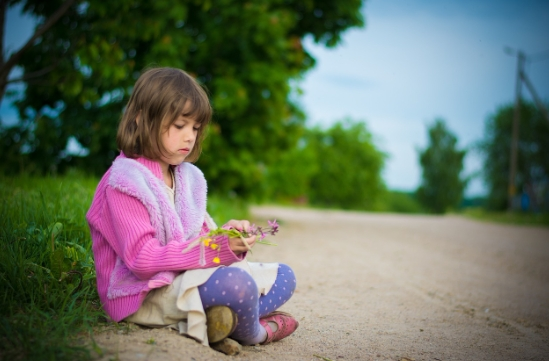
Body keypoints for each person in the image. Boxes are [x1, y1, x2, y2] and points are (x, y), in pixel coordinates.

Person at [86, 67, 298, 347]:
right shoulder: (125, 181)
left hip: (182, 279)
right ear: (141, 118)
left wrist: (226, 236)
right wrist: (215, 250)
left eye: (196, 128)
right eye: (179, 126)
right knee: (238, 285)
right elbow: (142, 261)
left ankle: (222, 320)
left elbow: (197, 241)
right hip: (143, 293)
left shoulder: (186, 176)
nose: (190, 137)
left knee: (284, 275)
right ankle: (254, 332)